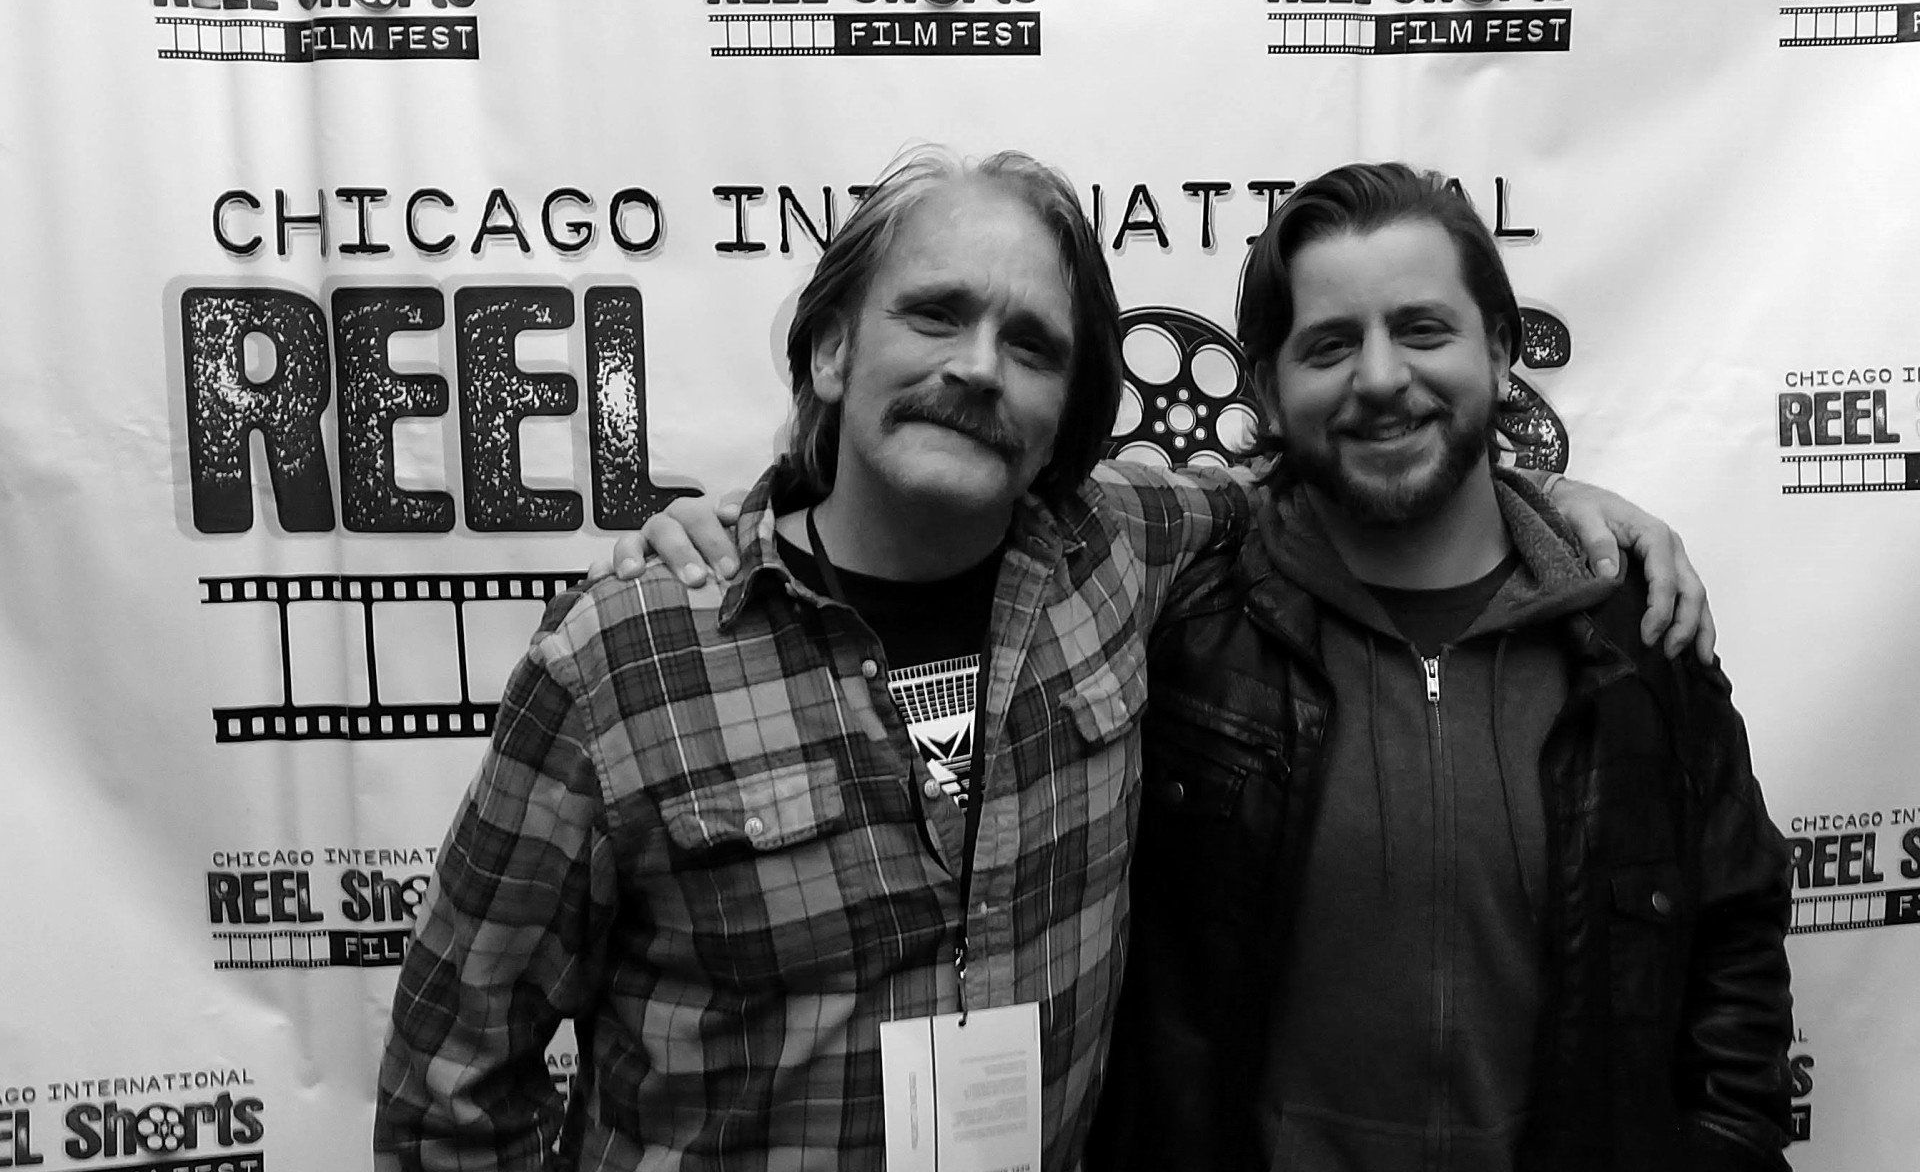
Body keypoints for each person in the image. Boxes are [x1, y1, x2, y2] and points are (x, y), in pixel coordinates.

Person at [384, 146, 1711, 1172]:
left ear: (1069, 406)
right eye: (936, 316)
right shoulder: (627, 658)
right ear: (835, 348)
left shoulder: (1114, 551)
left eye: (1031, 345)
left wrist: (1570, 505)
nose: (977, 368)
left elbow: (1370, 470)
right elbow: (453, 1089)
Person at [1087, 163, 1793, 1171]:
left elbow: (1735, 935)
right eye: (1330, 345)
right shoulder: (1184, 634)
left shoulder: (1634, 634)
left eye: (1423, 330)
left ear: (1501, 352)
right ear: (1269, 393)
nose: (1380, 377)